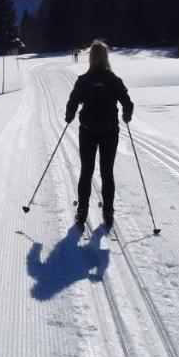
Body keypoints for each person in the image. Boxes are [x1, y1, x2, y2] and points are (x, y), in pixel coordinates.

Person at [65, 40, 134, 228]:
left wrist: (69, 116)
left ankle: (82, 212)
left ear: (91, 57)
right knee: (107, 173)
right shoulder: (113, 80)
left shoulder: (84, 80)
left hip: (87, 130)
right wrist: (127, 116)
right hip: (110, 131)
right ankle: (108, 213)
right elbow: (128, 103)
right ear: (106, 57)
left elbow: (72, 102)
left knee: (86, 171)